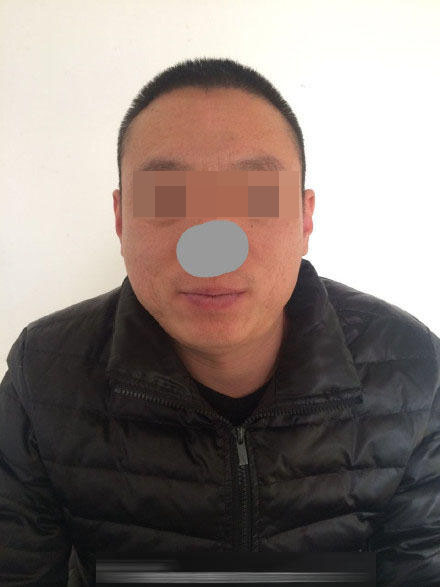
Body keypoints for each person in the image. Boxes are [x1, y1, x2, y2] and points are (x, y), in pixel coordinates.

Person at [1, 58, 439, 587]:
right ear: (120, 219)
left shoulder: (413, 370)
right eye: (168, 196)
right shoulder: (43, 375)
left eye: (256, 195)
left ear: (305, 219)